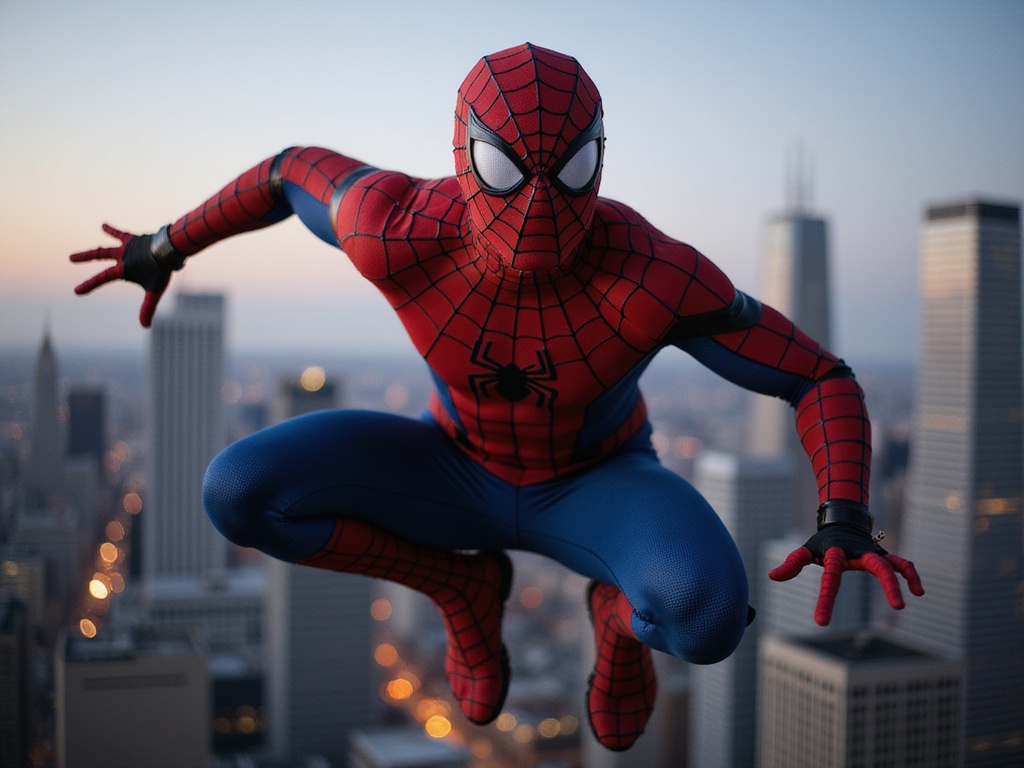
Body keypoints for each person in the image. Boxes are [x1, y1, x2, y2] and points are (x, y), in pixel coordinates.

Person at [71, 43, 923, 751]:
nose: (541, 207)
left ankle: (619, 625)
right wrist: (164, 243)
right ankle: (456, 586)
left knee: (706, 618)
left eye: (572, 170)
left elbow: (819, 374)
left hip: (598, 483)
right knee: (237, 493)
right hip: (449, 464)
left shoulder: (650, 273)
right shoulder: (393, 226)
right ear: (464, 151)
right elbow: (287, 172)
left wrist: (844, 514)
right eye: (507, 170)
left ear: (599, 156)